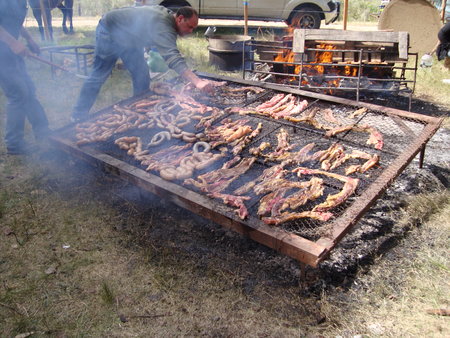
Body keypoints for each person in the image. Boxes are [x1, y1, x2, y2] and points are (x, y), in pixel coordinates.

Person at [71, 5, 214, 122]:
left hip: (129, 38)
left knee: (141, 73)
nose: (190, 31)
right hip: (109, 30)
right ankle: (78, 115)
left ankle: (139, 109)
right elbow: (172, 56)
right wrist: (197, 82)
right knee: (100, 73)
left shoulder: (168, 21)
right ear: (180, 19)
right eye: (190, 27)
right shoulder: (164, 24)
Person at [0, 0, 50, 155]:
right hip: (3, 52)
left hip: (9, 50)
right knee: (18, 93)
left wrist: (29, 39)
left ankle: (43, 131)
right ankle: (14, 144)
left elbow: (14, 22)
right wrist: (13, 43)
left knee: (28, 89)